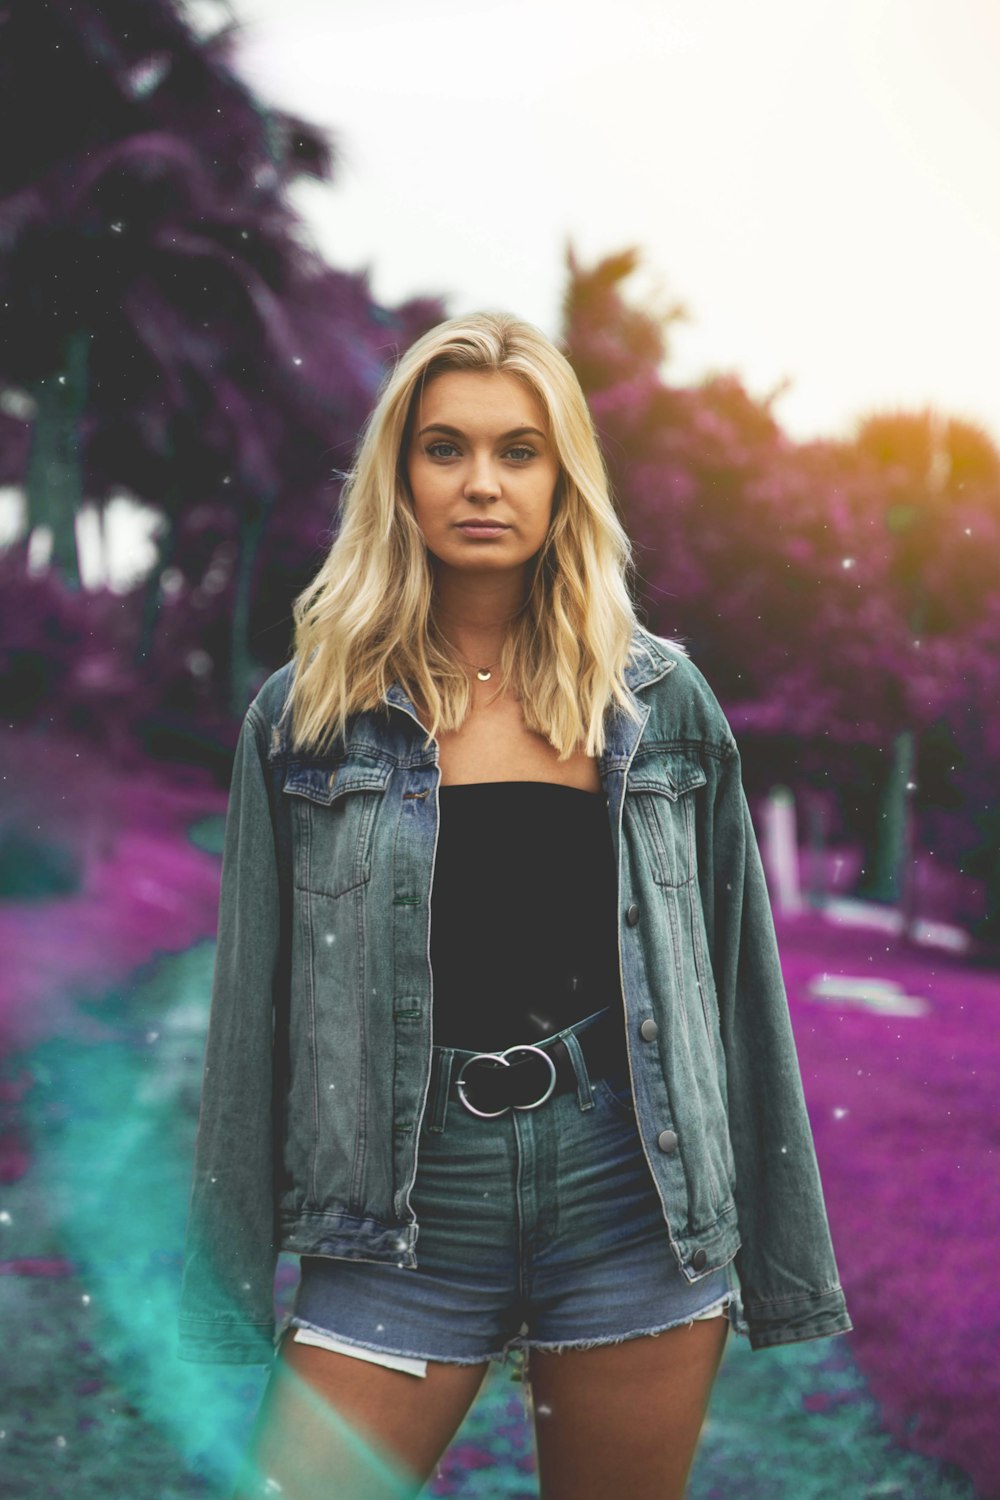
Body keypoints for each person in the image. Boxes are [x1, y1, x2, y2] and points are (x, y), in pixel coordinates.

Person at [178, 312, 852, 1499]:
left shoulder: (658, 701)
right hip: (402, 1207)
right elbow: (251, 1012)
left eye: (517, 450)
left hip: (624, 1192)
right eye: (444, 448)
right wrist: (230, 1286)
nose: (480, 482)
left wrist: (784, 1262)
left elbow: (740, 989)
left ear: (563, 479)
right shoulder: (306, 716)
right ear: (399, 475)